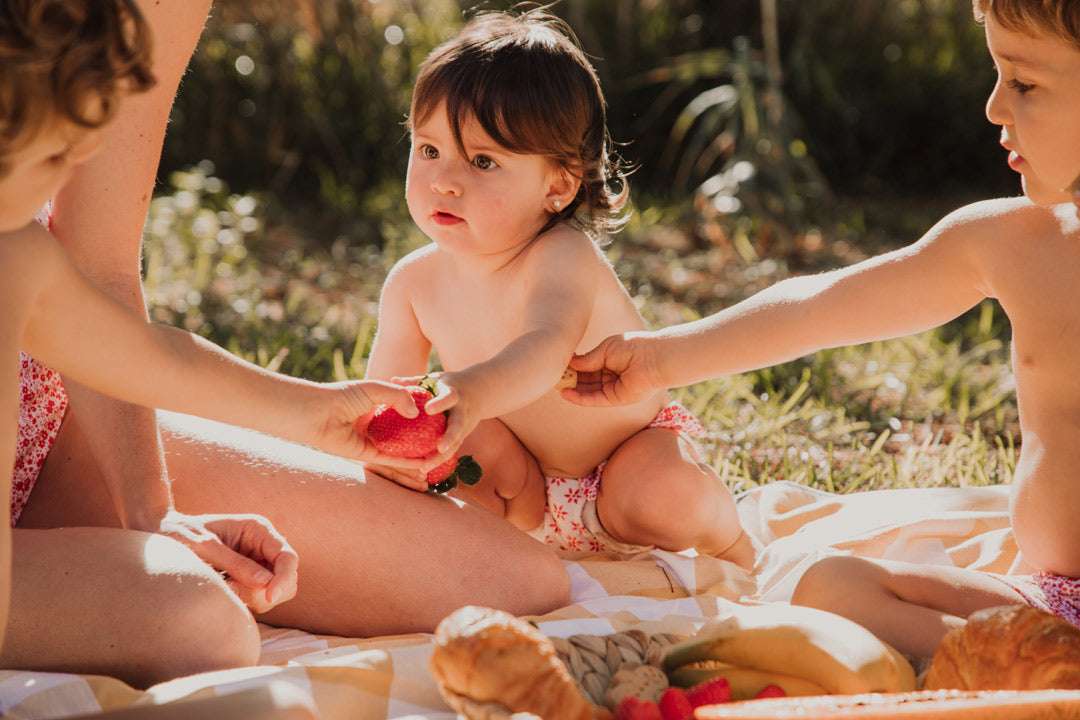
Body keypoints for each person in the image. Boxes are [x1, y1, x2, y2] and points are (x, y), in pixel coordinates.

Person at [8, 0, 570, 687]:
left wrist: (306, 418)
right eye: (66, 152)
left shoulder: (23, 254)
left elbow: (144, 353)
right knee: (201, 622)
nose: (86, 160)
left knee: (516, 581)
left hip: (43, 438)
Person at [563, 0, 1080, 660]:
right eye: (998, 76)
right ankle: (1039, 678)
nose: (993, 109)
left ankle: (1026, 681)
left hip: (1045, 619)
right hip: (1049, 605)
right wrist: (662, 359)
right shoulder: (1013, 242)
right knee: (831, 586)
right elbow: (821, 306)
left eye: (1024, 83)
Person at [362, 9, 755, 569]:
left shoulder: (560, 254)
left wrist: (471, 391)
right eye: (429, 151)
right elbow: (386, 399)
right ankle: (511, 559)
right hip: (520, 495)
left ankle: (732, 542)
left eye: (482, 160)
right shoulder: (411, 284)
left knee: (663, 494)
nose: (444, 180)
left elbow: (546, 349)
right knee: (450, 442)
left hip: (624, 462)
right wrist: (394, 443)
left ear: (558, 185)